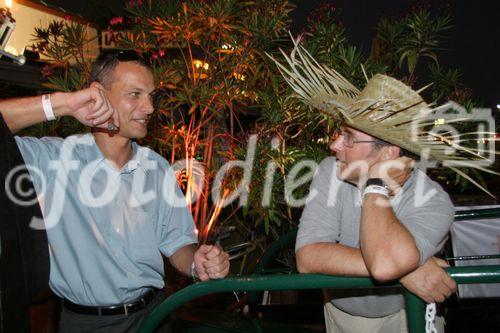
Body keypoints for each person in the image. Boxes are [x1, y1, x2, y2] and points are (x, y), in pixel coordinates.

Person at [267, 41, 500, 332]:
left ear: (389, 153)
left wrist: (375, 186)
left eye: (349, 138)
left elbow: (385, 264)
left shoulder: (434, 201)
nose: (334, 144)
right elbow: (308, 256)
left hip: (406, 317)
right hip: (341, 317)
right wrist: (407, 270)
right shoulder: (331, 171)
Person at [0, 50, 230, 332]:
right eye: (135, 94)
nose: (149, 108)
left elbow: (176, 242)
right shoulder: (52, 159)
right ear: (98, 92)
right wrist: (63, 103)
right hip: (86, 324)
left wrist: (197, 262)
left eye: (151, 96)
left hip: (155, 317)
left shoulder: (156, 168)